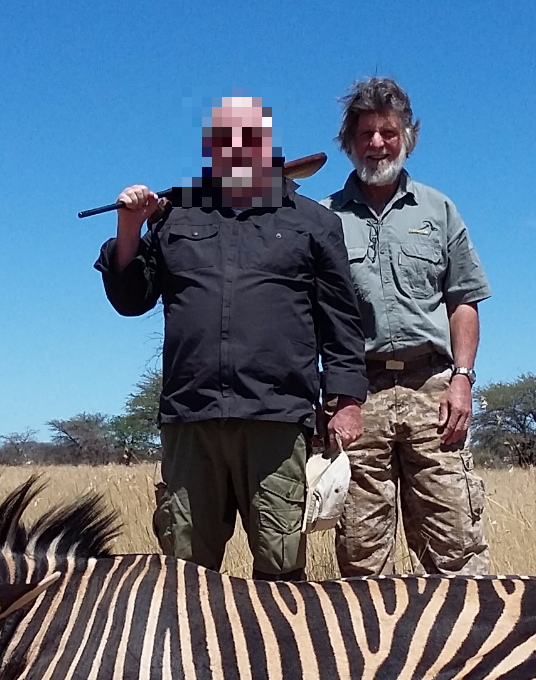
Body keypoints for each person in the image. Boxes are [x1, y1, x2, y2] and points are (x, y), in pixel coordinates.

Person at [97, 96, 367, 581]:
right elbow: (130, 298)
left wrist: (346, 399)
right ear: (210, 149)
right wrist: (128, 228)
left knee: (281, 574)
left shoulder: (313, 221)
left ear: (267, 145)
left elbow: (341, 319)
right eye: (225, 140)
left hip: (277, 417)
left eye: (248, 138)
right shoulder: (174, 218)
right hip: (191, 418)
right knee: (182, 576)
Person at [322, 78, 491, 577]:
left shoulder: (439, 210)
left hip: (433, 389)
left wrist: (462, 379)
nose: (377, 143)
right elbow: (313, 318)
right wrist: (331, 396)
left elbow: (464, 300)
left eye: (388, 132)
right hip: (358, 395)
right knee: (359, 555)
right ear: (348, 142)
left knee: (456, 546)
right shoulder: (325, 218)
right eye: (367, 133)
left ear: (407, 137)